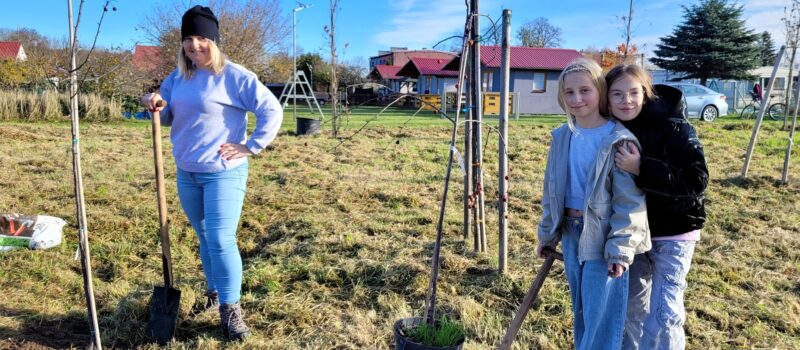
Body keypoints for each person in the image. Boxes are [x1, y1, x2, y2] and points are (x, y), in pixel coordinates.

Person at [141, 5, 283, 341]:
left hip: (223, 172)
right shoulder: (177, 79)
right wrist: (155, 105)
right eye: (188, 39)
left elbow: (271, 110)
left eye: (201, 38)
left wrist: (251, 146)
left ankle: (231, 310)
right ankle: (214, 293)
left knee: (221, 239)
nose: (194, 45)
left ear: (214, 41)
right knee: (205, 237)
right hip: (187, 171)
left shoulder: (234, 76)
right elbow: (171, 117)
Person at [536, 58, 650, 350]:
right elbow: (552, 190)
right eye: (569, 92)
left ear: (599, 89)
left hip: (604, 237)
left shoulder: (618, 140)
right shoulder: (562, 137)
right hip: (573, 234)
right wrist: (548, 233)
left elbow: (629, 202)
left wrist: (620, 249)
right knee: (583, 314)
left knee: (602, 319)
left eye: (585, 90)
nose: (576, 99)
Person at [605, 64, 708, 350]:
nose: (626, 100)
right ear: (607, 98)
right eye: (617, 94)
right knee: (631, 309)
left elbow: (696, 180)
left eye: (633, 92)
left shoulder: (675, 126)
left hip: (674, 232)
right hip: (634, 234)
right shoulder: (613, 130)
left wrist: (641, 167)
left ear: (646, 93)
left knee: (663, 314)